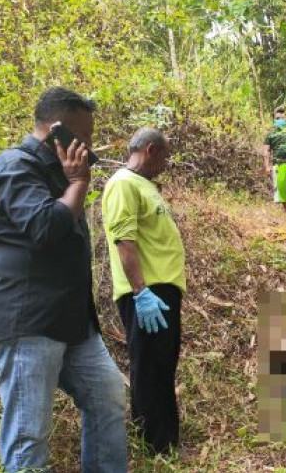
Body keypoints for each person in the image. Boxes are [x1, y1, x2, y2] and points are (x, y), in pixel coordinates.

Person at [0, 87, 127, 472]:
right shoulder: (13, 167)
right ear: (57, 132)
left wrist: (73, 179)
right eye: (81, 137)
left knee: (108, 396)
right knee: (29, 431)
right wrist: (79, 183)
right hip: (28, 319)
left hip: (71, 321)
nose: (87, 146)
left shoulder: (59, 172)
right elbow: (43, 226)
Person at [102, 128, 186, 454]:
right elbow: (124, 240)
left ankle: (167, 439)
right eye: (164, 156)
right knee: (150, 365)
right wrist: (141, 292)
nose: (166, 163)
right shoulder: (123, 184)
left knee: (162, 363)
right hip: (147, 292)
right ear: (150, 150)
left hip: (162, 290)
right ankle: (154, 445)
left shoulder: (143, 184)